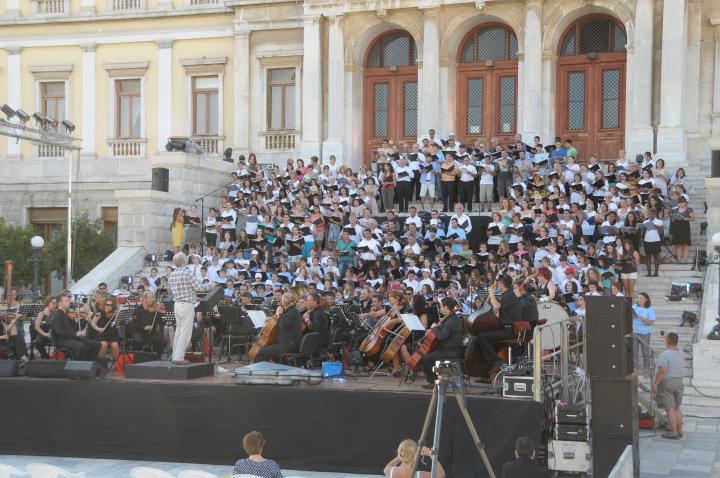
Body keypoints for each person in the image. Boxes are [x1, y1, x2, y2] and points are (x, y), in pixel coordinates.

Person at [167, 252, 214, 364]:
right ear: (184, 262)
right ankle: (178, 358)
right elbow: (200, 288)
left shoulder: (172, 275)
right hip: (187, 304)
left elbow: (172, 290)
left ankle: (175, 355)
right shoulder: (187, 273)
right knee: (185, 332)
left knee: (178, 330)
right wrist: (210, 285)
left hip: (177, 304)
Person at [476, 275, 522, 379]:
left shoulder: (509, 295)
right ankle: (486, 373)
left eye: (499, 284)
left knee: (481, 337)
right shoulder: (507, 295)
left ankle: (498, 362)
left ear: (501, 284)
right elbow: (498, 311)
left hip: (509, 329)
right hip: (506, 327)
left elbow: (496, 306)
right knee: (488, 345)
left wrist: (491, 294)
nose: (498, 286)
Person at [421, 297, 465, 388]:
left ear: (445, 308)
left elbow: (441, 336)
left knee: (426, 357)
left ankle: (433, 382)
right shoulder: (452, 318)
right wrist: (437, 328)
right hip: (452, 349)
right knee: (430, 354)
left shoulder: (451, 321)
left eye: (441, 307)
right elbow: (445, 330)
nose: (440, 309)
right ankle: (438, 379)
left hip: (452, 352)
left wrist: (434, 328)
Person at [253, 292, 302, 362]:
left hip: (289, 345)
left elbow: (283, 325)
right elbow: (282, 321)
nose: (281, 303)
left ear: (286, 301)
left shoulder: (292, 313)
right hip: (287, 343)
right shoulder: (290, 311)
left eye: (282, 301)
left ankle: (261, 371)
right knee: (266, 349)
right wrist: (273, 318)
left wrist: (279, 314)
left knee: (261, 352)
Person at [50, 294, 101, 361]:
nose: (69, 302)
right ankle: (77, 365)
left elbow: (77, 328)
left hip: (73, 338)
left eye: (69, 300)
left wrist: (86, 319)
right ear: (60, 303)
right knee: (81, 346)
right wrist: (75, 334)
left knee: (96, 344)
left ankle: (88, 362)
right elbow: (59, 332)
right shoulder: (57, 315)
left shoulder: (68, 314)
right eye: (66, 301)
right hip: (62, 341)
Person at [653, 332, 685, 440]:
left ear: (668, 341)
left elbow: (662, 371)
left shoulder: (665, 354)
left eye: (664, 339)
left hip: (667, 382)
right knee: (676, 407)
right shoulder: (680, 353)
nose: (663, 340)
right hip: (679, 381)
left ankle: (674, 433)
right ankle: (680, 431)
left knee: (669, 409)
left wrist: (655, 384)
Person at [88, 297, 121, 362]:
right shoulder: (99, 313)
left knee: (115, 345)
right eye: (107, 304)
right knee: (104, 344)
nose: (108, 306)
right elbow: (93, 323)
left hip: (112, 335)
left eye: (110, 305)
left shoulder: (115, 314)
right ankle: (100, 363)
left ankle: (118, 364)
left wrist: (118, 326)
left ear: (113, 306)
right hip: (102, 335)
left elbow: (117, 326)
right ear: (104, 305)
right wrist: (98, 328)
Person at [632, 292, 655, 375]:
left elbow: (650, 322)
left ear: (646, 299)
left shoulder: (650, 309)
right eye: (638, 298)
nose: (639, 299)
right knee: (634, 352)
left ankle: (646, 370)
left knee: (645, 351)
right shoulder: (634, 307)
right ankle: (636, 369)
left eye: (641, 298)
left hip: (645, 333)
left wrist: (642, 318)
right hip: (634, 332)